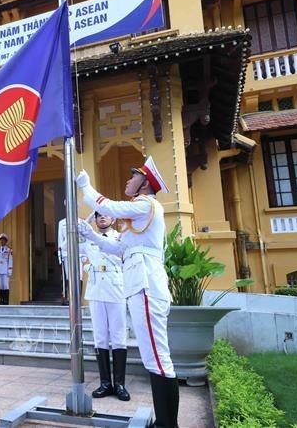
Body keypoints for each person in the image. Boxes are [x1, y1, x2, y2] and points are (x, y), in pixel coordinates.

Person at [76, 156, 179, 428]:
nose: (127, 180)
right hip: (140, 287)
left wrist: (86, 188)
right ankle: (164, 422)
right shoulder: (139, 216)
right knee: (153, 357)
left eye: (133, 176)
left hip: (146, 286)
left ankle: (168, 424)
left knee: (157, 358)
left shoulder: (146, 204)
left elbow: (109, 206)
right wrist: (90, 235)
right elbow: (118, 248)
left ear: (145, 183)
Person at [83, 211, 130, 401]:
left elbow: (126, 260)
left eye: (105, 215)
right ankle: (105, 383)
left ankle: (119, 384)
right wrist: (84, 222)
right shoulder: (88, 240)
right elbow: (66, 247)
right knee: (100, 337)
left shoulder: (120, 237)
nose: (102, 218)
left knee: (118, 336)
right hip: (96, 290)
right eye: (98, 216)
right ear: (95, 220)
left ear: (113, 219)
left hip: (116, 288)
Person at [0, 233, 13, 305]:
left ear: (6, 241)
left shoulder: (9, 250)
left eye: (3, 240)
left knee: (5, 286)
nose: (2, 242)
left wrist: (10, 270)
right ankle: (1, 301)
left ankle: (6, 301)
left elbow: (10, 260)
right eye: (1, 240)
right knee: (0, 286)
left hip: (5, 270)